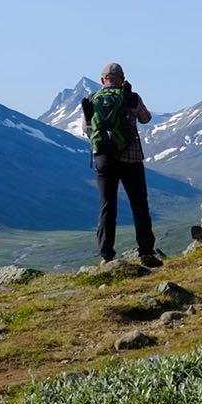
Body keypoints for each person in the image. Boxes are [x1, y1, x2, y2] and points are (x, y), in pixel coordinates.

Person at [80, 62, 160, 268]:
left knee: (108, 206)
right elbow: (146, 118)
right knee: (139, 204)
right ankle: (146, 251)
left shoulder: (91, 99)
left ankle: (106, 254)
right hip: (130, 158)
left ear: (102, 80)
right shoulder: (130, 97)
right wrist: (131, 101)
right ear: (123, 79)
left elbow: (86, 129)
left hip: (103, 159)